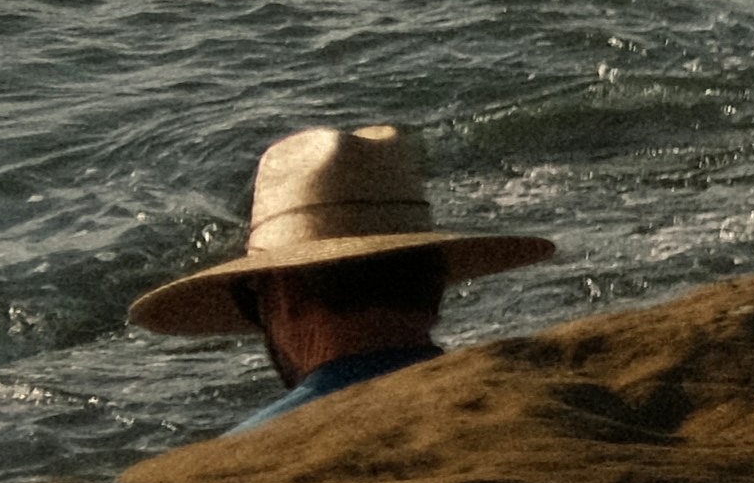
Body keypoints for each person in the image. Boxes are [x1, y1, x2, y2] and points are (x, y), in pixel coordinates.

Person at [127, 122, 553, 433]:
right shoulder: (537, 407)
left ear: (285, 293)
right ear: (437, 278)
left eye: (250, 300)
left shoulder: (240, 457)